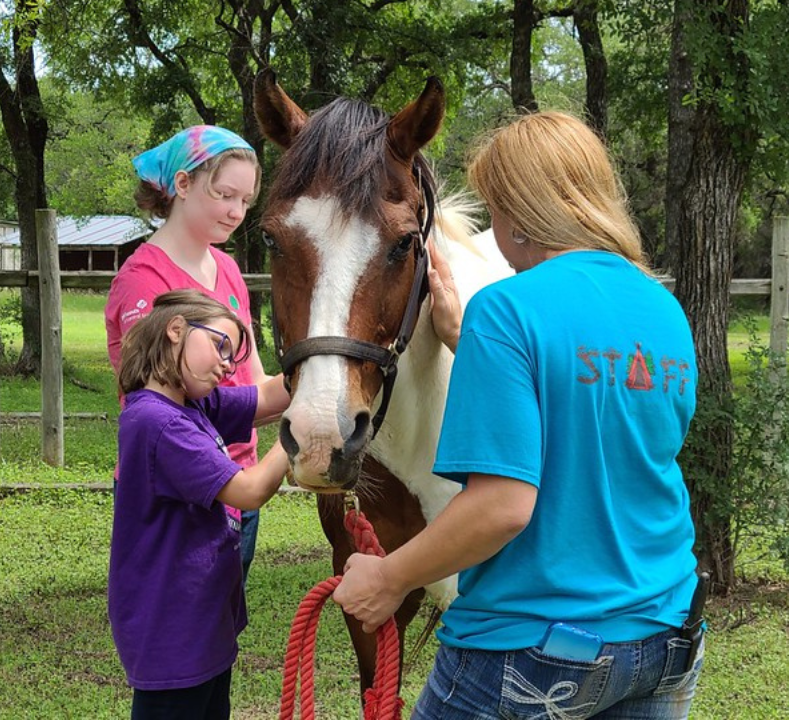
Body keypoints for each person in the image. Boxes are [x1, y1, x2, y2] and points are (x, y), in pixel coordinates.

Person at [333, 111, 704, 719]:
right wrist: (465, 343)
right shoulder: (663, 308)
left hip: (531, 651)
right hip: (665, 634)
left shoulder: (505, 309)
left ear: (516, 210)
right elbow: (594, 427)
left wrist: (389, 576)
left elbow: (503, 507)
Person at [105, 124, 289, 584]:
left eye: (246, 202)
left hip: (238, 485)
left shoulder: (226, 268)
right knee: (182, 637)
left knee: (218, 632)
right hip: (181, 492)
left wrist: (325, 375)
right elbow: (168, 408)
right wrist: (296, 435)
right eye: (225, 194)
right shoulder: (143, 283)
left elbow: (253, 386)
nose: (236, 212)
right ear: (183, 184)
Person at [109, 289, 290, 720]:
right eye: (220, 346)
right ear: (176, 330)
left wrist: (326, 358)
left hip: (203, 626)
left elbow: (267, 398)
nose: (228, 365)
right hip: (173, 635)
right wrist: (299, 430)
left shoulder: (192, 404)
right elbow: (249, 490)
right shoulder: (158, 422)